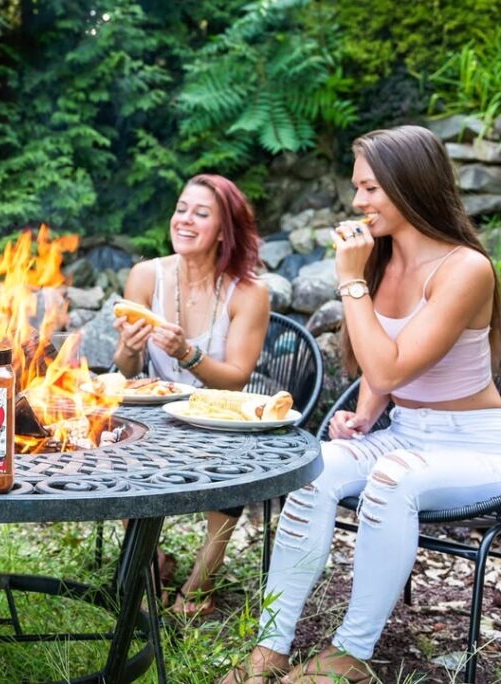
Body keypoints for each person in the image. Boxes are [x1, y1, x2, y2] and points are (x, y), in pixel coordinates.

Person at [223, 125, 501, 683]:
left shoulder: (465, 268)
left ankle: (351, 653)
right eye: (358, 188)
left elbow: (391, 365)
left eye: (370, 188)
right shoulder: (383, 257)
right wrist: (369, 410)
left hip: (475, 444)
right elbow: (388, 360)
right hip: (408, 432)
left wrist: (350, 282)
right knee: (312, 469)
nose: (357, 202)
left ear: (409, 184)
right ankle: (270, 647)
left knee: (392, 477)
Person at [113, 173, 270, 618]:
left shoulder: (251, 292)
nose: (184, 220)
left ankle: (202, 582)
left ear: (224, 230)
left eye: (201, 214)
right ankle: (149, 561)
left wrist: (188, 352)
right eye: (181, 208)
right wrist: (129, 347)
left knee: (238, 454)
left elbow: (236, 380)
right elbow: (129, 371)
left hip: (220, 415)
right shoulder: (147, 275)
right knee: (116, 441)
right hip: (157, 413)